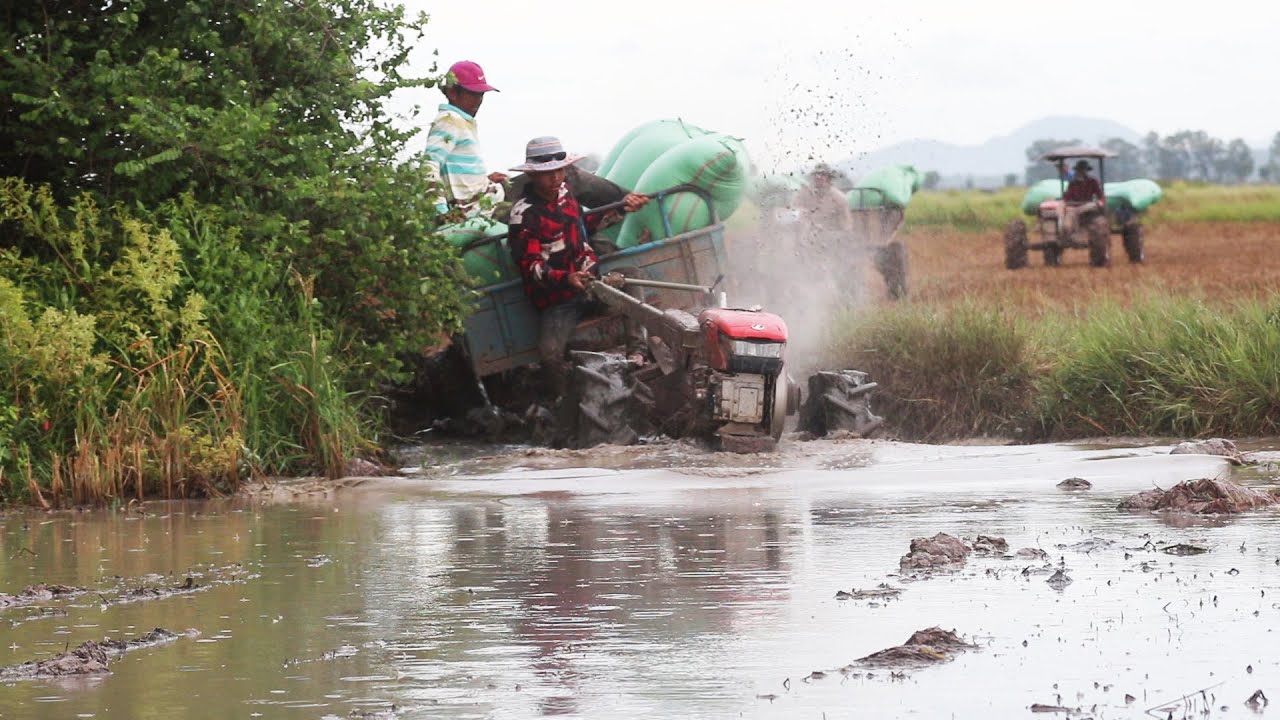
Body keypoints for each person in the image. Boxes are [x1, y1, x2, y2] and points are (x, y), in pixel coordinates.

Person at [507, 137, 649, 395]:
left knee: (632, 277)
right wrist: (566, 278)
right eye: (547, 174)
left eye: (559, 171)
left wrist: (622, 209)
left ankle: (638, 353)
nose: (555, 179)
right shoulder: (523, 215)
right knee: (549, 354)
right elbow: (531, 267)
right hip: (560, 298)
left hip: (591, 283)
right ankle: (565, 402)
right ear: (531, 175)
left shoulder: (566, 195)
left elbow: (587, 225)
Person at [423, 60, 507, 222]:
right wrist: (439, 210)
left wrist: (485, 180)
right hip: (472, 211)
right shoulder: (449, 120)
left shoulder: (462, 121)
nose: (478, 101)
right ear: (453, 93)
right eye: (473, 94)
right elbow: (429, 165)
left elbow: (457, 172)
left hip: (481, 200)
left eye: (481, 95)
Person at [792, 163, 853, 233]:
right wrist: (803, 215)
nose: (818, 177)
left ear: (829, 178)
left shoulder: (839, 198)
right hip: (806, 236)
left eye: (822, 174)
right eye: (816, 174)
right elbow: (794, 210)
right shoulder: (804, 193)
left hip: (830, 237)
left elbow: (847, 225)